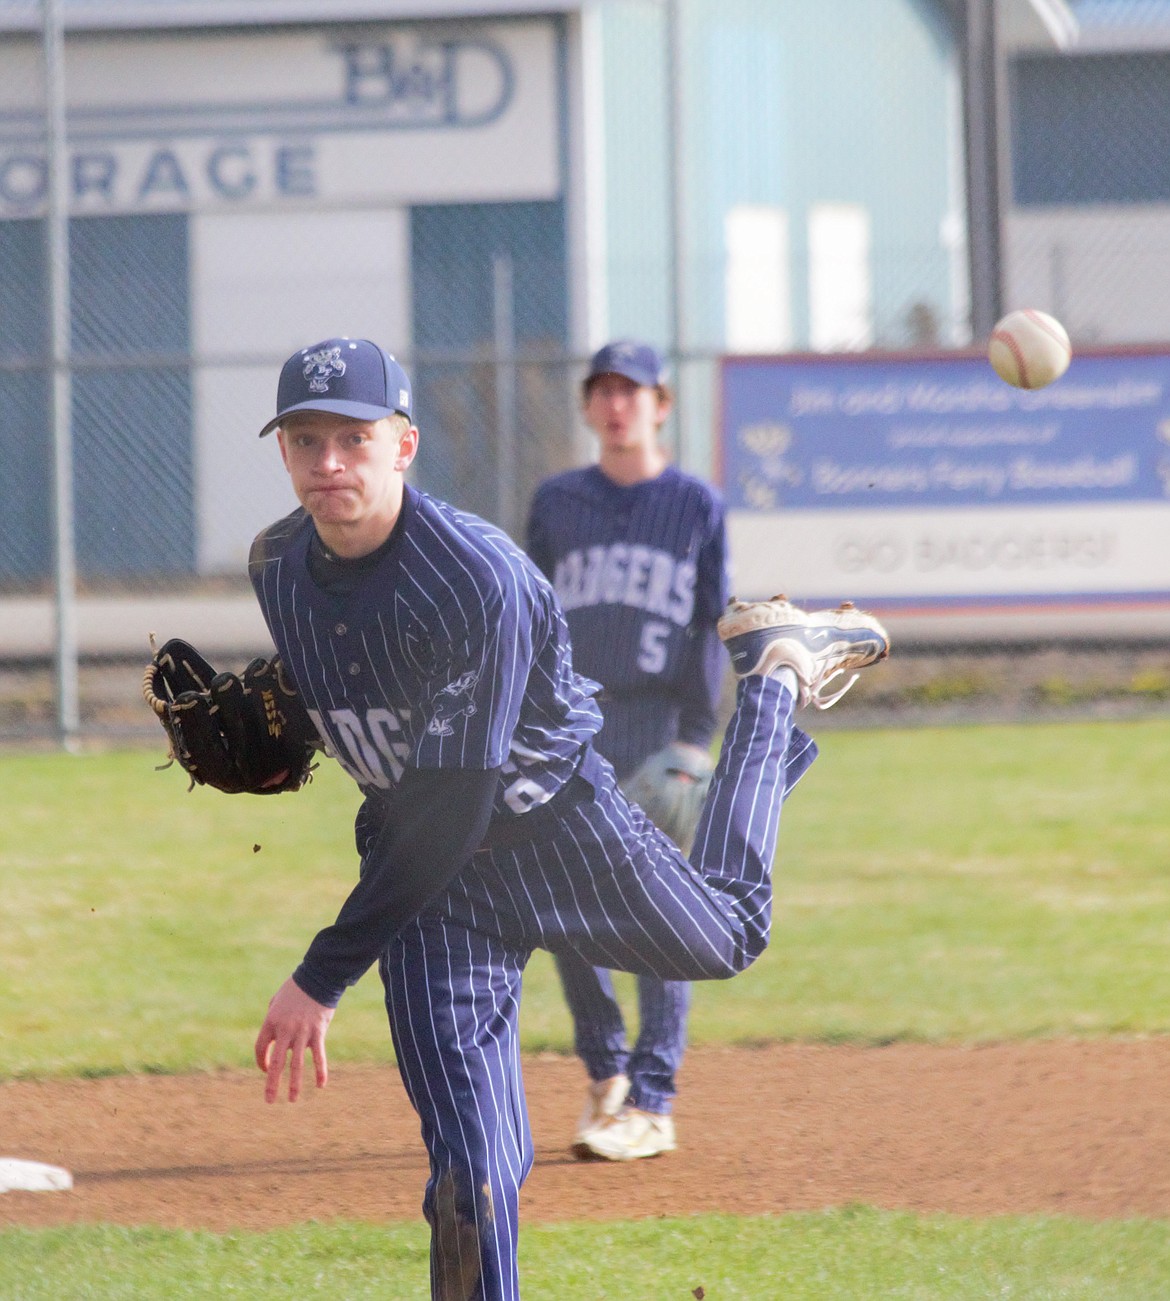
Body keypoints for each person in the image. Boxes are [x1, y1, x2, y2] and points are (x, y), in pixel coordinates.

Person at [248, 336, 890, 1301]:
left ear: (405, 444)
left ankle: (773, 681)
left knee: (730, 934)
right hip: (433, 890)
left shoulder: (478, 577)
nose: (328, 462)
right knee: (472, 1167)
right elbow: (353, 695)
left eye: (353, 436)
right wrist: (280, 722)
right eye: (305, 440)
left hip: (559, 832)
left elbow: (454, 801)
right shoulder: (276, 564)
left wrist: (322, 973)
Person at [525, 340, 727, 1162]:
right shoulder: (556, 501)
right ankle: (607, 1074)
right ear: (587, 406)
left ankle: (653, 1097)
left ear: (661, 405)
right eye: (603, 390)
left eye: (632, 391)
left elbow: (712, 622)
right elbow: (527, 615)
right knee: (560, 905)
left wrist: (694, 738)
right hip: (573, 727)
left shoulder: (695, 504)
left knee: (657, 917)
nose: (617, 405)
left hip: (655, 730)